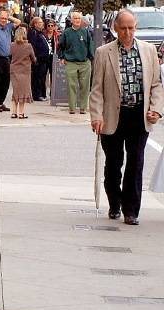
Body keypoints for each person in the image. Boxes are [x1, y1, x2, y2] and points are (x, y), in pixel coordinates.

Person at [89, 9, 164, 225]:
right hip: (113, 115)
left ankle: (131, 210)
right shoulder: (104, 52)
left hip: (139, 115)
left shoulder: (149, 50)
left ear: (136, 27)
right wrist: (96, 115)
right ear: (115, 28)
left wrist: (156, 109)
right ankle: (114, 202)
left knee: (136, 163)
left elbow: (157, 85)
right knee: (113, 163)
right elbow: (97, 89)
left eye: (131, 28)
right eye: (123, 28)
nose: (128, 32)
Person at [58, 11, 94, 114]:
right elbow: (61, 46)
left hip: (84, 62)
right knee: (71, 86)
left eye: (79, 18)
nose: (77, 20)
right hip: (71, 62)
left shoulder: (86, 32)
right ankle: (72, 108)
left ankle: (83, 108)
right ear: (71, 20)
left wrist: (91, 58)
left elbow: (90, 45)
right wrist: (62, 57)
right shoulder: (66, 32)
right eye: (75, 18)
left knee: (85, 86)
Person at [0, 9, 21, 112]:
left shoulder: (8, 26)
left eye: (5, 18)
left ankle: (1, 102)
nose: (4, 20)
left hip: (7, 58)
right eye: (2, 18)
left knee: (6, 82)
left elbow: (18, 22)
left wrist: (9, 16)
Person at [10, 26, 36, 118]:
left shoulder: (12, 45)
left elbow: (10, 55)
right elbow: (33, 58)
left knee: (15, 91)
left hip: (14, 70)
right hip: (25, 70)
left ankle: (14, 112)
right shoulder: (28, 46)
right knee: (23, 92)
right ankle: (21, 113)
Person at [28, 17, 49, 101]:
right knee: (37, 77)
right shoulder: (34, 33)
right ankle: (37, 95)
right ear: (35, 24)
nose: (42, 24)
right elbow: (33, 45)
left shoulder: (41, 33)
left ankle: (42, 94)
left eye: (42, 22)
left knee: (42, 77)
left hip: (44, 59)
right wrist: (35, 57)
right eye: (40, 23)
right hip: (38, 59)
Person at [44, 19, 59, 86]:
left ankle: (52, 92)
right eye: (48, 25)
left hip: (53, 56)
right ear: (46, 27)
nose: (50, 27)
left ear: (54, 27)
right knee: (44, 74)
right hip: (45, 56)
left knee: (53, 74)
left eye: (52, 26)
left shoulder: (57, 35)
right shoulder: (43, 35)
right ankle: (43, 92)